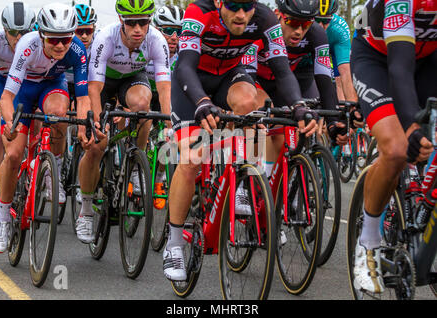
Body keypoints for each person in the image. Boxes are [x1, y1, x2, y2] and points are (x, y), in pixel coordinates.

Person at [164, 0, 318, 281]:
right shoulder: (198, 12)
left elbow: (282, 69)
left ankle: (241, 179)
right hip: (192, 81)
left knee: (251, 104)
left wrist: (298, 105)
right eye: (234, 6)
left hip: (228, 77)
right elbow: (185, 65)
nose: (241, 15)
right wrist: (201, 102)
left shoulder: (266, 17)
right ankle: (174, 242)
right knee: (189, 160)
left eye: (247, 7)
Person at [0, 3, 90, 254]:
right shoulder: (27, 45)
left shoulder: (77, 50)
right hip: (23, 89)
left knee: (59, 114)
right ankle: (2, 218)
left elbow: (84, 98)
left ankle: (52, 168)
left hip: (51, 87)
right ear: (41, 34)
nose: (60, 46)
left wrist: (82, 129)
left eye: (65, 39)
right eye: (53, 40)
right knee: (12, 154)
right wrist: (11, 125)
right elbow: (7, 97)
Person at [351, 0, 436, 293]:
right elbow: (400, 68)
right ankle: (368, 243)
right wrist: (413, 127)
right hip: (379, 60)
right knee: (398, 149)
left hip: (429, 61)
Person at [76, 0, 172, 244]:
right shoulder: (105, 39)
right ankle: (86, 209)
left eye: (143, 22)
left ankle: (136, 163)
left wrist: (171, 124)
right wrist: (98, 124)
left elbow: (164, 87)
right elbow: (94, 88)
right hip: (103, 83)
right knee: (97, 145)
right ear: (121, 20)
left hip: (131, 79)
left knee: (144, 107)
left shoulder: (157, 40)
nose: (138, 28)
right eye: (131, 23)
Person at [241, 0, 346, 177]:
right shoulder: (263, 30)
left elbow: (324, 80)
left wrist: (333, 122)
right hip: (257, 81)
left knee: (291, 135)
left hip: (285, 84)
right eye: (292, 23)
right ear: (278, 15)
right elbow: (247, 78)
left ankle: (280, 184)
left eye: (305, 24)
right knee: (255, 115)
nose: (299, 30)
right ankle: (247, 181)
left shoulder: (317, 34)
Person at [0, 2, 35, 215]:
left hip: (24, 81)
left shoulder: (35, 43)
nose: (18, 37)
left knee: (37, 118)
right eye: (13, 32)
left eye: (24, 32)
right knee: (0, 124)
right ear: (5, 30)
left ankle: (35, 169)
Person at [146, 4, 183, 210]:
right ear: (157, 29)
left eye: (179, 31)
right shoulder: (147, 46)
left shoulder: (183, 53)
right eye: (168, 30)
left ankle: (159, 176)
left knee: (168, 138)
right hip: (142, 91)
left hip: (166, 95)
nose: (174, 36)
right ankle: (129, 160)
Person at [316, 0, 358, 103]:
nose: (321, 26)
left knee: (339, 77)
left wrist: (352, 105)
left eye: (326, 21)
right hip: (311, 50)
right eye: (316, 20)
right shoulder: (302, 24)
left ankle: (342, 112)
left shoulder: (339, 28)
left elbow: (345, 71)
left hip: (334, 45)